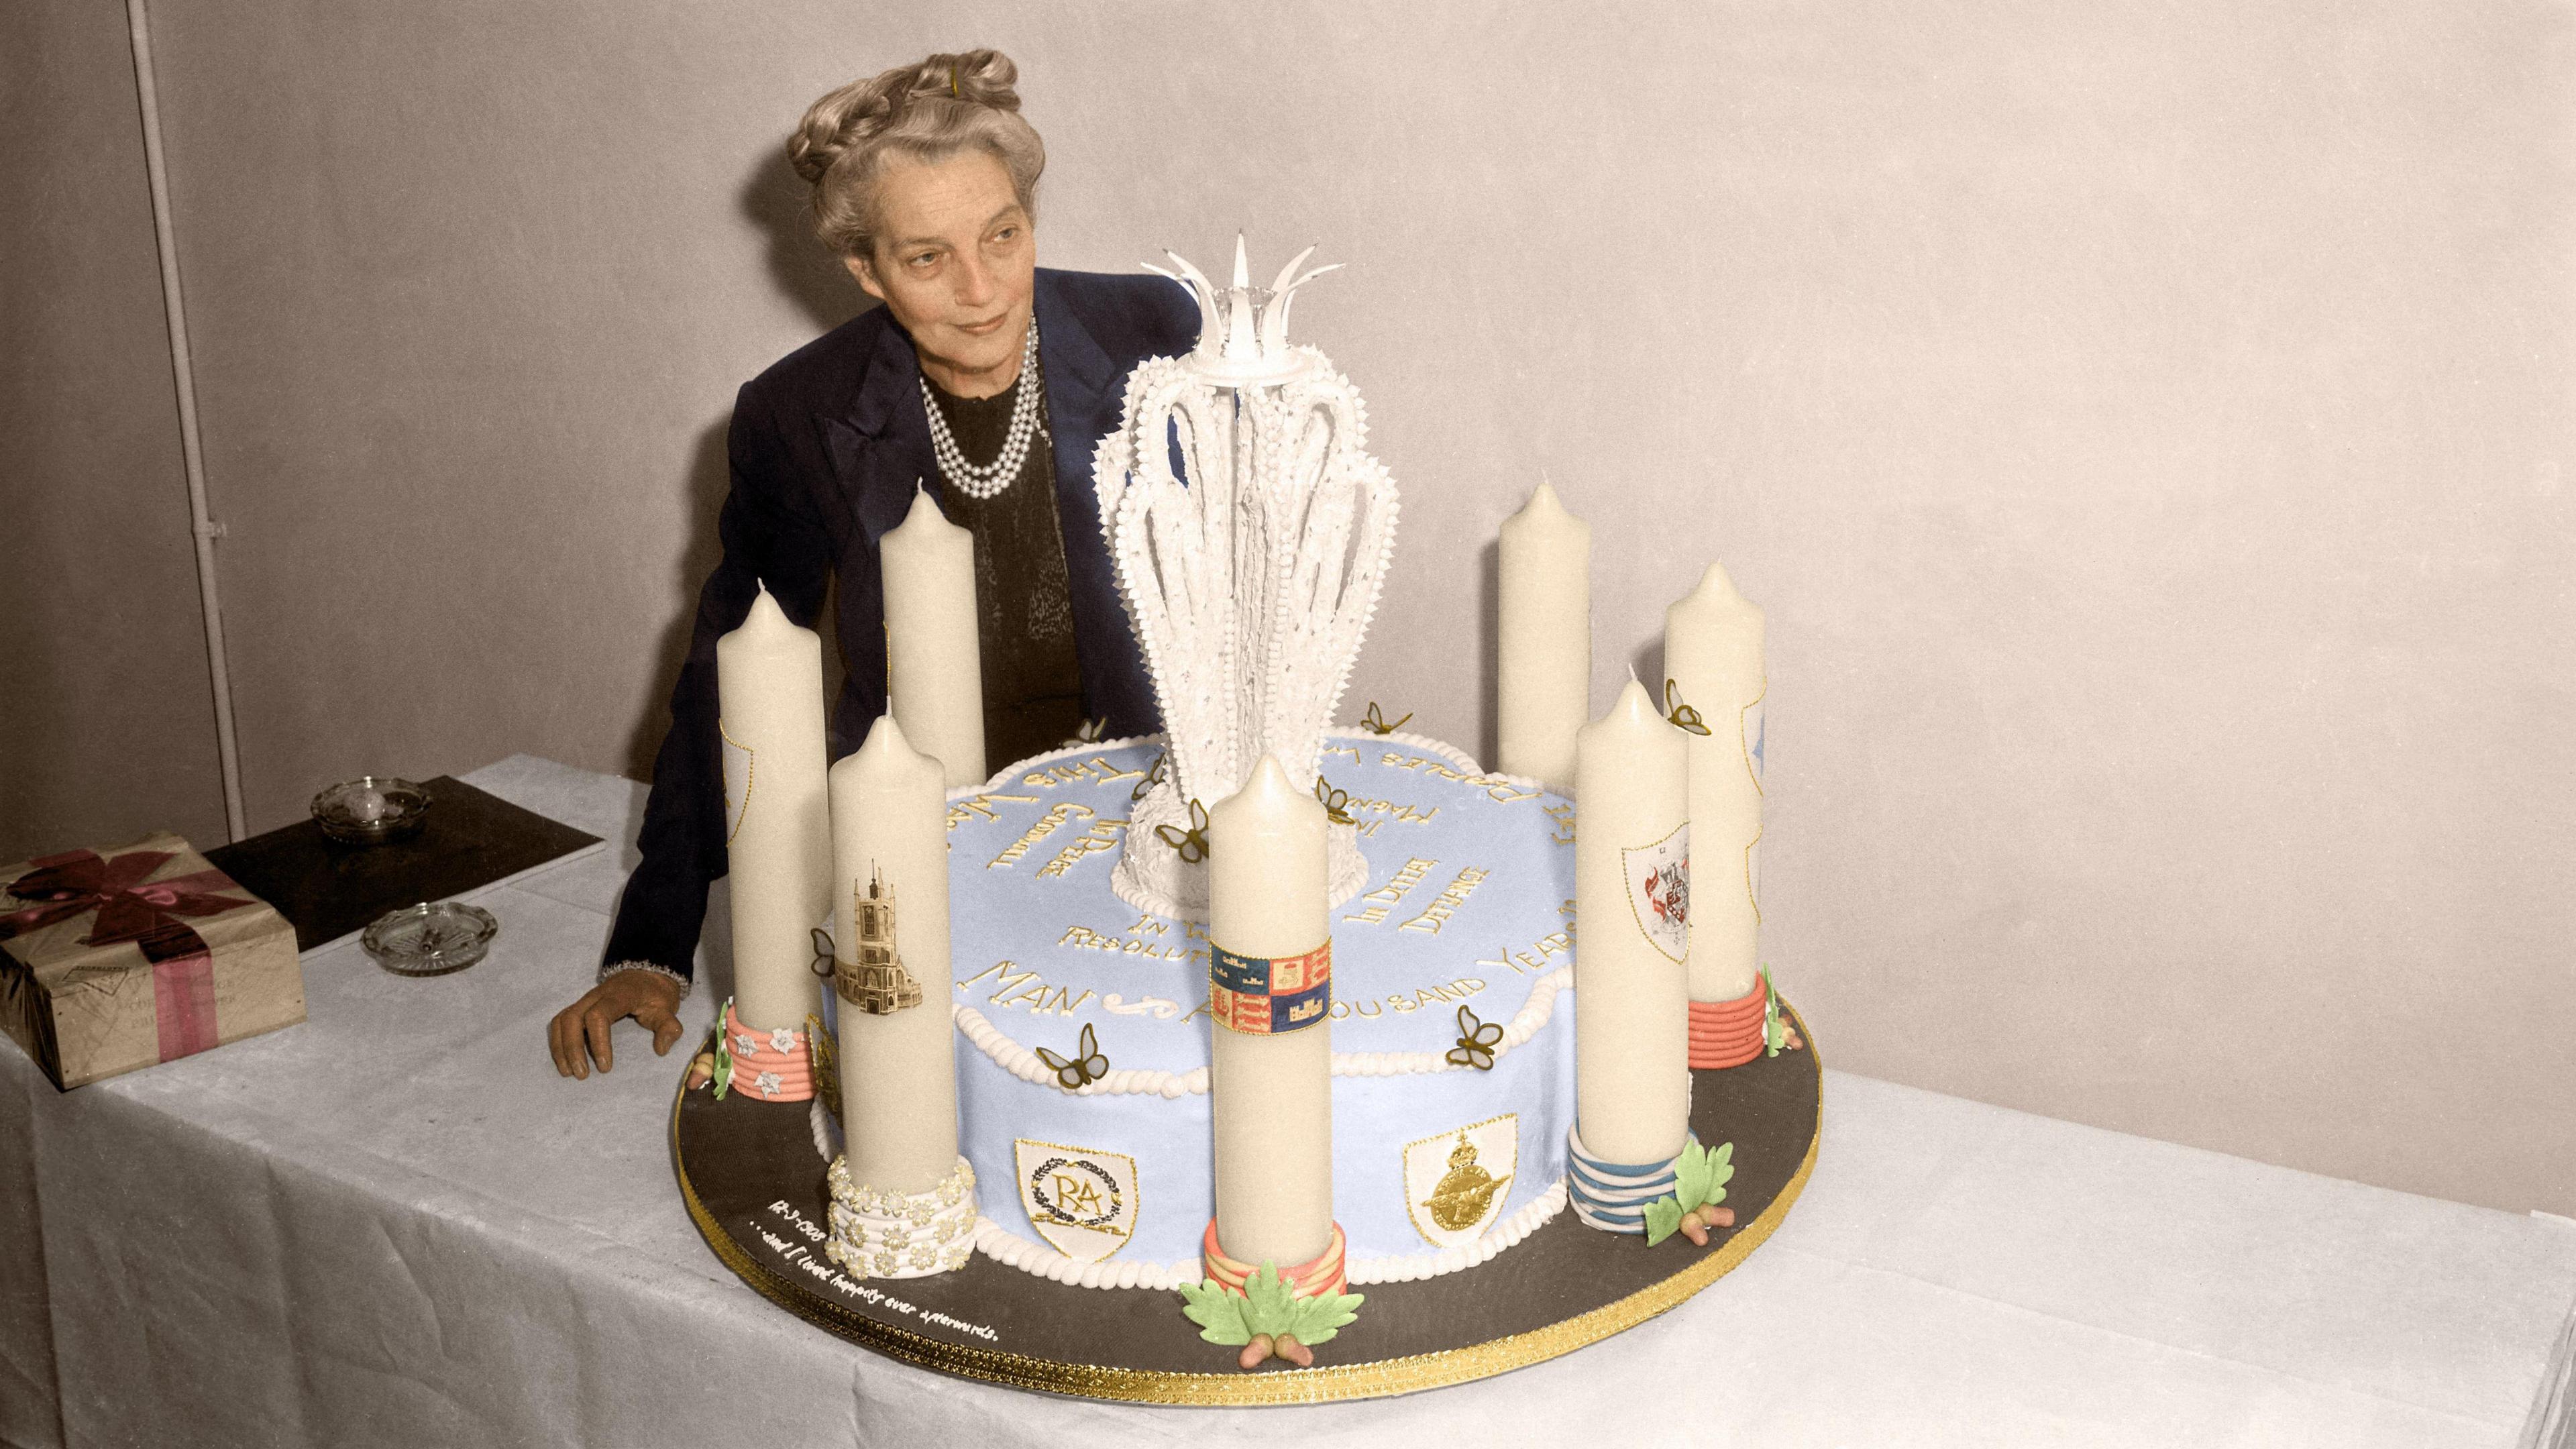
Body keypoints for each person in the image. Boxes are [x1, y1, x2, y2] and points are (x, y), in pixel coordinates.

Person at [547, 49, 1195, 1078]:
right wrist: (652, 943)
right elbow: (732, 668)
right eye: (927, 259)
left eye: (1004, 237)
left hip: (1157, 835)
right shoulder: (798, 412)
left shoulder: (1161, 332)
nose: (982, 291)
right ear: (866, 270)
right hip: (920, 848)